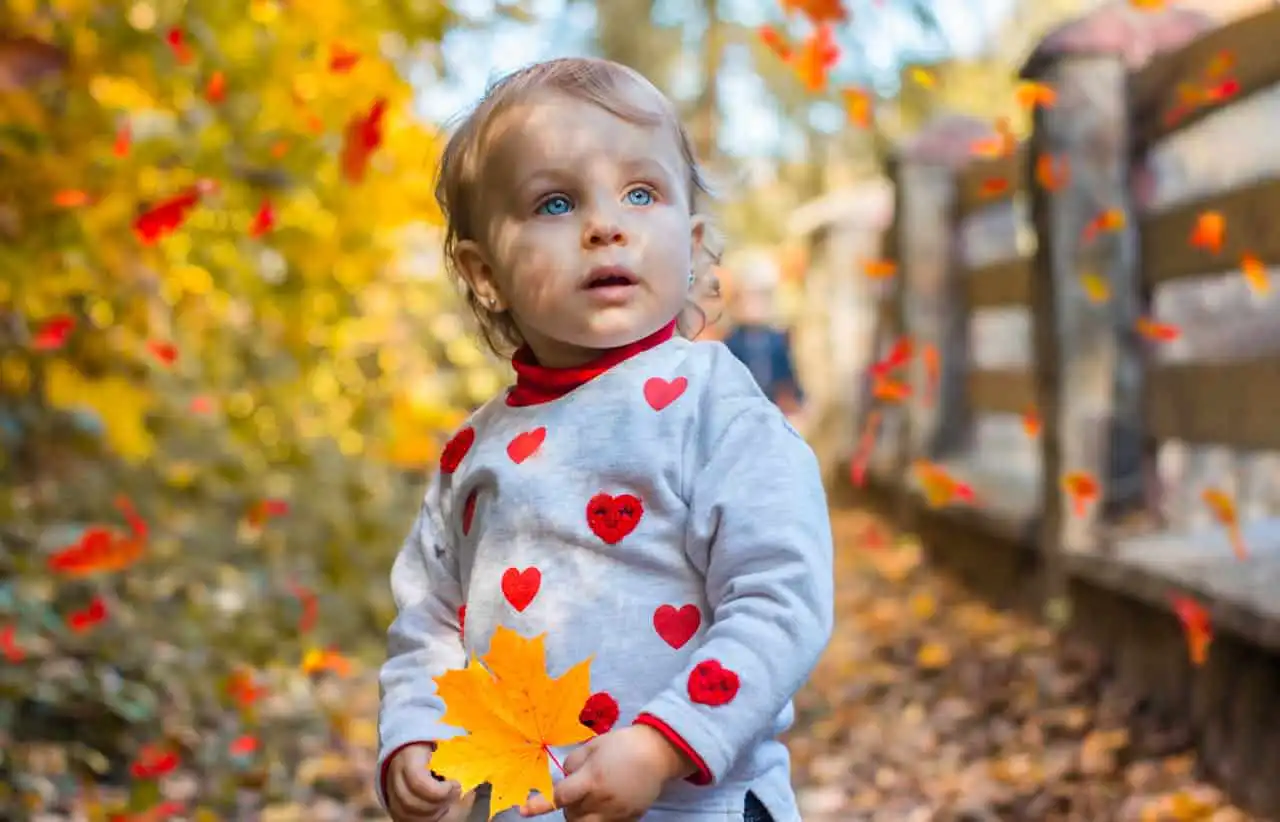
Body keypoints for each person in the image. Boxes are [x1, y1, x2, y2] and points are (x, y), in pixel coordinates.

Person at [377, 56, 834, 822]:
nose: (605, 225)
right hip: (520, 803)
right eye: (555, 202)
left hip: (700, 804)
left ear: (689, 241)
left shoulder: (714, 408)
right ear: (483, 271)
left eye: (640, 192)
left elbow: (780, 596)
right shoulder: (473, 452)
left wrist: (663, 742)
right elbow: (430, 615)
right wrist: (415, 732)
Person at [721, 263, 806, 423]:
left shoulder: (777, 340)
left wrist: (794, 398)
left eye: (759, 299)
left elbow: (788, 375)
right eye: (747, 299)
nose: (753, 306)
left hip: (772, 409)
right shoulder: (731, 342)